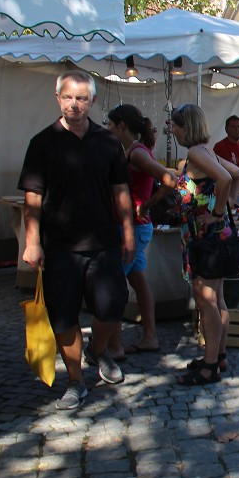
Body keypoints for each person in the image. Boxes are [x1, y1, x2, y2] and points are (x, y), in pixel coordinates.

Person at [18, 71, 134, 409]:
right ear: (58, 98)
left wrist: (128, 232)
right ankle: (75, 381)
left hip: (104, 242)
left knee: (112, 308)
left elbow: (122, 192)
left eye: (81, 98)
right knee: (64, 317)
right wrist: (32, 241)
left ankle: (96, 352)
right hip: (59, 247)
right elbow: (32, 198)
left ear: (92, 101)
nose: (74, 104)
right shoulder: (42, 143)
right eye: (68, 97)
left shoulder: (109, 142)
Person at [170, 104, 239, 386]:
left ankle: (210, 365)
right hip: (214, 236)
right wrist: (226, 206)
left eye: (176, 126)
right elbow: (238, 174)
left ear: (185, 126)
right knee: (218, 299)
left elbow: (228, 177)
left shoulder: (195, 153)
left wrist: (215, 213)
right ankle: (218, 355)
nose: (173, 131)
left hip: (205, 239)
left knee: (207, 302)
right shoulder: (207, 151)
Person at [106, 105, 177, 356]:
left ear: (121, 126)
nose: (108, 129)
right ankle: (150, 337)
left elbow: (170, 179)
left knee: (112, 286)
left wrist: (146, 204)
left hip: (134, 227)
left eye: (110, 125)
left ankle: (112, 348)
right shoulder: (132, 150)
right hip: (136, 227)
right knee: (138, 281)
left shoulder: (136, 153)